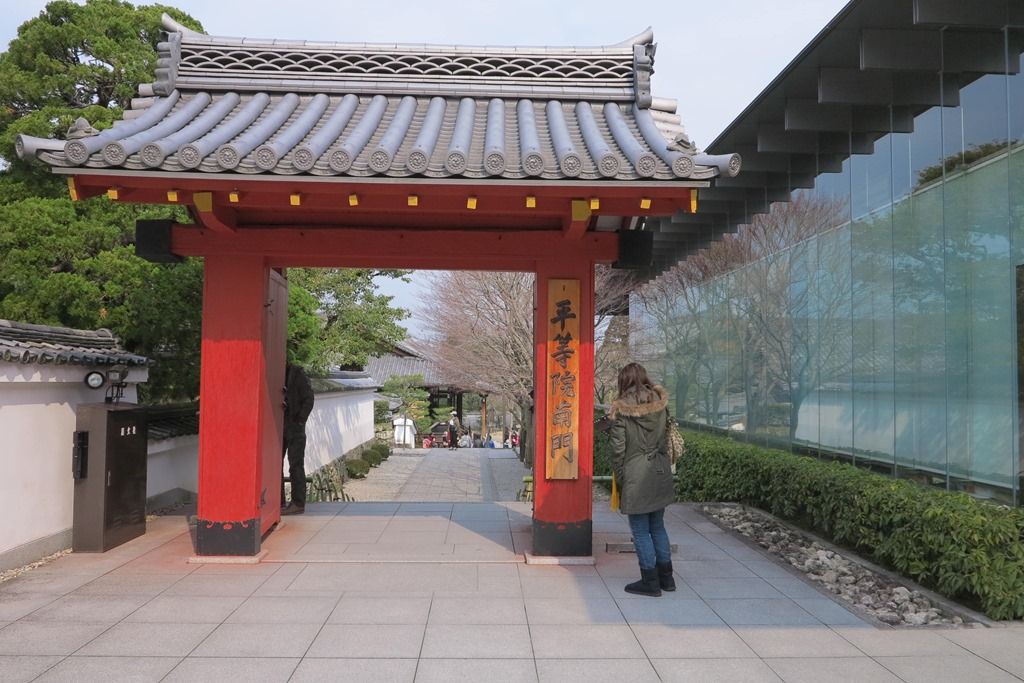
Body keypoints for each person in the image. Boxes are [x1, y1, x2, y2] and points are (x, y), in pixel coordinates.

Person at [608, 362, 676, 597]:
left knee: (640, 530)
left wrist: (621, 477)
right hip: (659, 470)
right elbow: (666, 439)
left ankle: (650, 581)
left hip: (635, 474)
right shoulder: (660, 404)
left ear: (623, 381)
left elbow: (618, 450)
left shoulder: (621, 409)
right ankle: (667, 578)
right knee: (657, 526)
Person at [281, 362, 314, 515]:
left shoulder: (297, 374)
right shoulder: (274, 373)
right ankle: (279, 500)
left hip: (295, 426)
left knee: (295, 465)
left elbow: (309, 398)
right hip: (278, 426)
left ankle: (298, 502)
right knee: (275, 465)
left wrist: (300, 419)